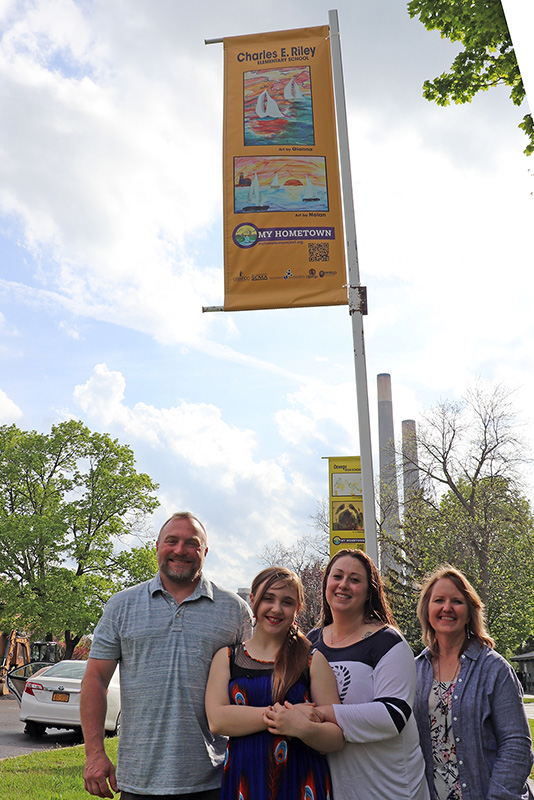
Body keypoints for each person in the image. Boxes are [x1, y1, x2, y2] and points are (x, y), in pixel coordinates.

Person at [80, 512, 253, 800]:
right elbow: (95, 679)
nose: (180, 550)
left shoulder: (234, 611)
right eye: (171, 541)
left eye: (192, 543)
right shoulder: (121, 606)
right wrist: (95, 754)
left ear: (205, 552)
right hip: (138, 781)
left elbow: (250, 690)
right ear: (157, 546)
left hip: (214, 779)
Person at [205, 566, 344, 800]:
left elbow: (336, 736)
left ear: (297, 609)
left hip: (301, 782)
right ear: (253, 600)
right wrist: (284, 717)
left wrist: (302, 727)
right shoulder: (227, 658)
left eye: (287, 602)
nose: (276, 609)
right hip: (245, 782)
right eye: (268, 598)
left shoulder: (312, 660)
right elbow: (218, 721)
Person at [305, 548, 430, 800]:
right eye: (337, 576)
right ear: (326, 583)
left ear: (369, 590)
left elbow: (393, 716)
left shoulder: (388, 642)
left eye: (355, 579)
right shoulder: (310, 643)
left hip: (390, 788)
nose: (343, 585)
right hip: (337, 787)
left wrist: (319, 714)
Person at [414, 565, 534, 800]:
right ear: (427, 610)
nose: (447, 608)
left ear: (470, 613)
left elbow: (516, 746)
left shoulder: (495, 669)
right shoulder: (416, 669)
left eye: (457, 601)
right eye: (439, 600)